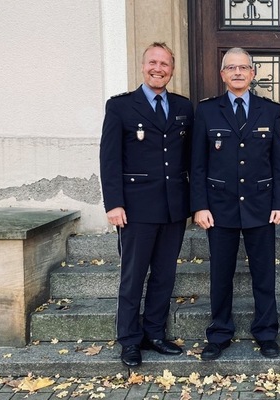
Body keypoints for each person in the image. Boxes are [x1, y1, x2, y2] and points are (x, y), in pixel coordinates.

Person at [99, 42, 194, 367]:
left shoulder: (183, 107)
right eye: (153, 62)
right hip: (136, 208)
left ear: (172, 69)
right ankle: (129, 340)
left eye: (165, 64)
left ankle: (154, 333)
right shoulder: (121, 107)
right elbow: (110, 159)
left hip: (173, 207)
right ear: (143, 66)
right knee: (133, 276)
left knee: (164, 275)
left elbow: (190, 158)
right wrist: (114, 204)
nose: (158, 68)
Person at [190, 47, 280, 361]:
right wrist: (199, 206)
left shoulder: (269, 110)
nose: (237, 72)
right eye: (231, 68)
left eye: (243, 67)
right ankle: (219, 333)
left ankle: (266, 333)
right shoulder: (207, 111)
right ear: (222, 74)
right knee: (221, 275)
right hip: (219, 208)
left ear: (252, 73)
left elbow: (278, 162)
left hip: (261, 205)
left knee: (264, 274)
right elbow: (198, 164)